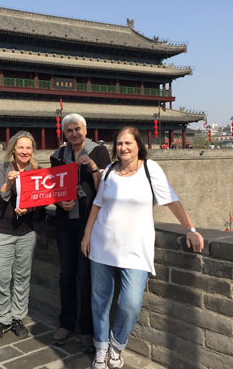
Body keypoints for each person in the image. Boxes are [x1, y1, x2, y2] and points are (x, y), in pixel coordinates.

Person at [81, 126, 204, 369]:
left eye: (128, 143)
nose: (123, 148)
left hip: (136, 248)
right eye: (119, 144)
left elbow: (171, 199)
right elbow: (97, 204)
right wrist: (87, 236)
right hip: (102, 244)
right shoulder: (108, 173)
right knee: (99, 300)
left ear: (138, 145)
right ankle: (101, 348)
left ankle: (116, 346)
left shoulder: (150, 169)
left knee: (130, 302)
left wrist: (190, 229)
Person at [50, 113, 111, 352]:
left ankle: (87, 328)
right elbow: (52, 187)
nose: (74, 134)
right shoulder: (58, 156)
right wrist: (59, 202)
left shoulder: (99, 152)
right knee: (66, 274)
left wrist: (94, 168)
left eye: (77, 129)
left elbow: (104, 189)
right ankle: (66, 323)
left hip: (90, 224)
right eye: (69, 131)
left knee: (86, 278)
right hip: (66, 223)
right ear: (64, 134)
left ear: (85, 130)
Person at [0, 131, 44, 342]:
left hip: (26, 232)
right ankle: (3, 320)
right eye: (21, 147)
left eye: (28, 148)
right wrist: (9, 184)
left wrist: (28, 210)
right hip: (3, 230)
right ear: (13, 149)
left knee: (22, 277)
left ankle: (18, 318)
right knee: (0, 277)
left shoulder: (37, 171)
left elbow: (42, 202)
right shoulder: (3, 170)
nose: (25, 151)